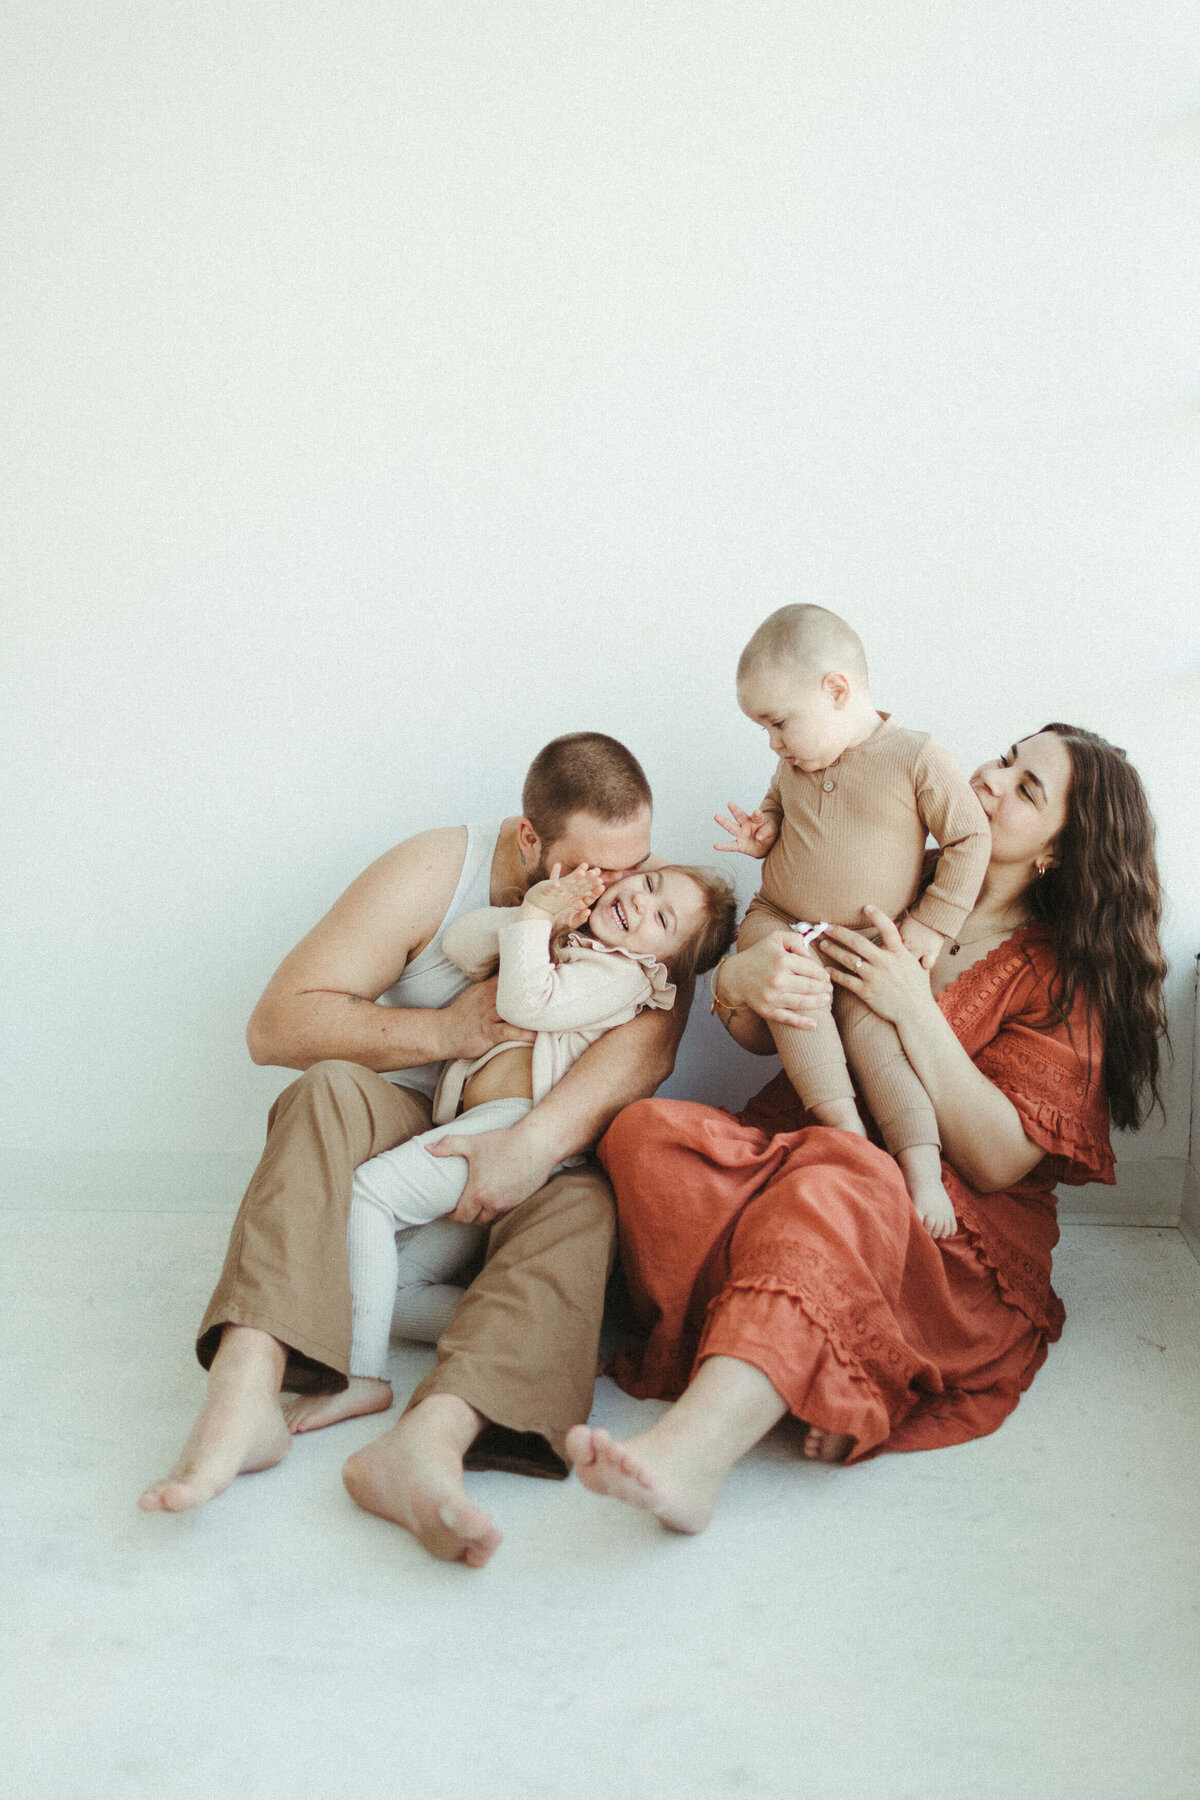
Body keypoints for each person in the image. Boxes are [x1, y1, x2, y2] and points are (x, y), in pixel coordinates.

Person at [139, 732, 718, 1569]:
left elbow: (653, 1042)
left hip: (524, 1138)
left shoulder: (647, 904)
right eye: (600, 868)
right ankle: (248, 1387)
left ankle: (431, 1441)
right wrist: (448, 1028)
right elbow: (275, 1026)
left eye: (641, 864)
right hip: (413, 1118)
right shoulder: (432, 871)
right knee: (321, 1091)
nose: (624, 888)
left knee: (584, 1209)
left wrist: (532, 1143)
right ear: (530, 842)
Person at [568, 725, 1168, 1534]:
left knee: (834, 1181)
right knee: (645, 1135)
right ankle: (814, 1357)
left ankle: (692, 1454)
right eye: (1004, 759)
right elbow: (760, 1026)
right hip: (816, 1146)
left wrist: (911, 1003)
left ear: (1060, 853)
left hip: (947, 1221)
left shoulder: (1057, 974)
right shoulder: (886, 869)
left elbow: (995, 1161)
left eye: (1027, 789)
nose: (992, 780)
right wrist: (742, 978)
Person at [284, 859, 735, 1432]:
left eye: (663, 918)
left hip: (512, 1128)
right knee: (398, 1288)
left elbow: (528, 1003)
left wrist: (534, 927)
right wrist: (536, 912)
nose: (642, 903)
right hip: (481, 1131)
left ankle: (360, 1379)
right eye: (649, 883)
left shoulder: (621, 977)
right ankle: (547, 1340)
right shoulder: (571, 937)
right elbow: (464, 948)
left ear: (661, 962)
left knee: (368, 1195)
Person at [715, 604, 990, 1236]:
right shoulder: (795, 760)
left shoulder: (916, 757)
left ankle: (921, 1171)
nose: (773, 743)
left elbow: (969, 839)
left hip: (866, 940)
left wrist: (928, 927)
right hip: (779, 918)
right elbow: (777, 804)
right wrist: (766, 830)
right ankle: (846, 1135)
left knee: (879, 1043)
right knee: (795, 995)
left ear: (836, 691)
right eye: (764, 728)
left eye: (779, 723)